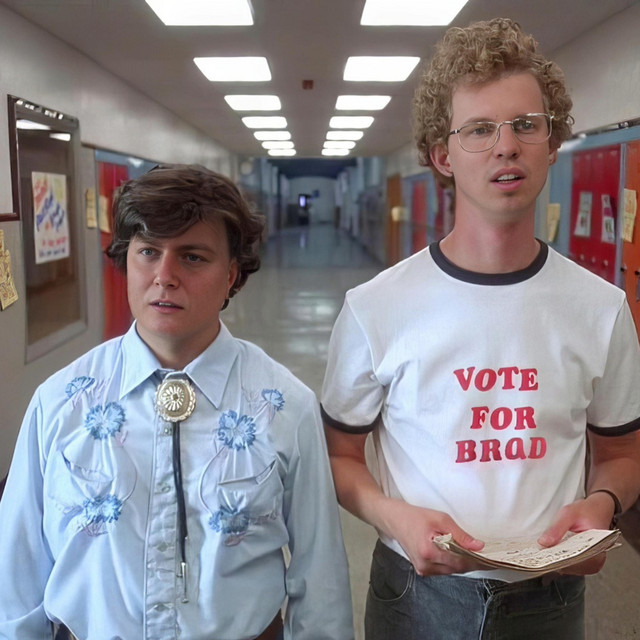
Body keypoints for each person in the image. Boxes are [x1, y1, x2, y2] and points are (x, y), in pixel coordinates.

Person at [321, 17, 640, 640]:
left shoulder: (601, 308)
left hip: (550, 600)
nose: (506, 146)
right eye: (479, 129)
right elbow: (339, 455)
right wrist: (394, 517)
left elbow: (623, 453)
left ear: (552, 142)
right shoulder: (375, 307)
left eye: (526, 125)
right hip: (413, 597)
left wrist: (602, 505)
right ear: (443, 156)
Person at [0, 164, 353, 640]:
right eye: (148, 252)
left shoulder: (285, 406)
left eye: (192, 257)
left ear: (231, 275)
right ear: (127, 261)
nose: (164, 277)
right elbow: (17, 574)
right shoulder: (61, 402)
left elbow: (320, 575)